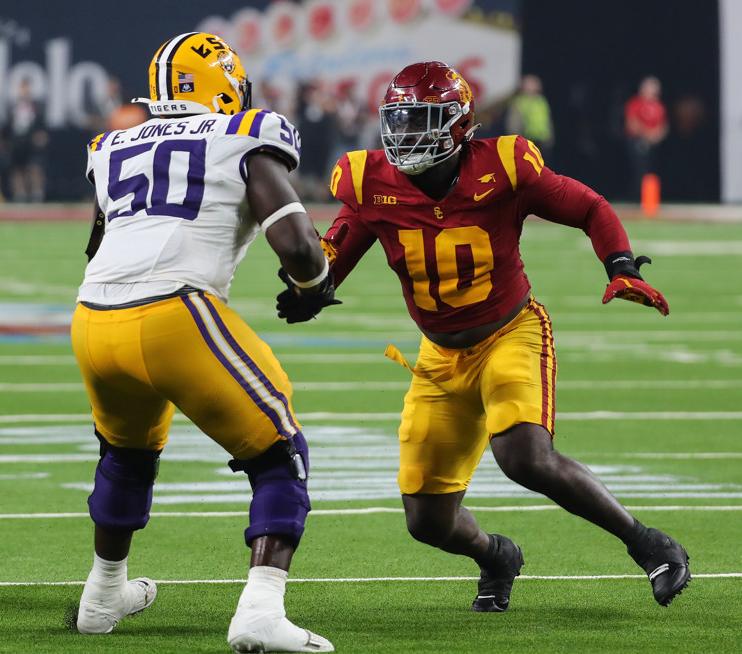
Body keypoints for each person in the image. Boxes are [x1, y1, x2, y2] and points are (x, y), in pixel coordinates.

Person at [279, 61, 691, 611]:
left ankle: (649, 545)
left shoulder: (504, 167)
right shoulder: (370, 182)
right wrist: (312, 289)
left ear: (456, 124)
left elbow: (588, 206)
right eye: (398, 120)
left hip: (510, 333)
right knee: (427, 521)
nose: (405, 134)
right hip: (439, 357)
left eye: (420, 120)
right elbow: (337, 255)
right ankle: (496, 556)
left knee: (524, 456)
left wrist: (621, 265)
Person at [71, 32, 336, 653]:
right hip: (173, 313)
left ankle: (103, 595)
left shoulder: (111, 146)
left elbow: (97, 242)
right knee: (279, 453)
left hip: (92, 317)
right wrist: (313, 286)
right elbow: (298, 245)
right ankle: (261, 610)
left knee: (126, 455)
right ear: (222, 83)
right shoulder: (245, 134)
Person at [623, 76, 668, 201]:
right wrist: (647, 134)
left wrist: (657, 135)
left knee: (651, 173)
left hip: (654, 144)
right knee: (640, 172)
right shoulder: (635, 103)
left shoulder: (658, 105)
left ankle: (649, 200)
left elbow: (663, 125)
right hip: (638, 142)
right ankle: (635, 200)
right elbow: (632, 123)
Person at [505, 74, 554, 165]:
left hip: (542, 141)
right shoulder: (520, 102)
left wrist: (549, 138)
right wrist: (518, 141)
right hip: (527, 141)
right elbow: (514, 123)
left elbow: (547, 121)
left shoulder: (541, 101)